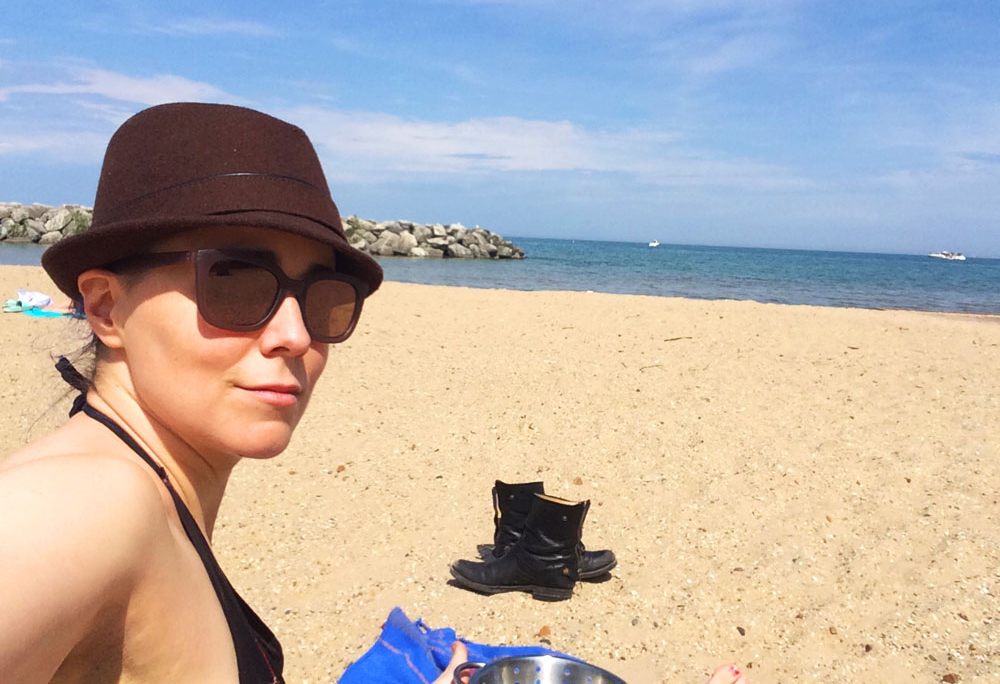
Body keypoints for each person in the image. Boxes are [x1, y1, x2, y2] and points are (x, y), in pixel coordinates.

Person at [0, 102, 746, 684]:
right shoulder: (83, 508)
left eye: (327, 295)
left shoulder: (150, 487)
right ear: (104, 309)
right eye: (233, 280)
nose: (295, 334)